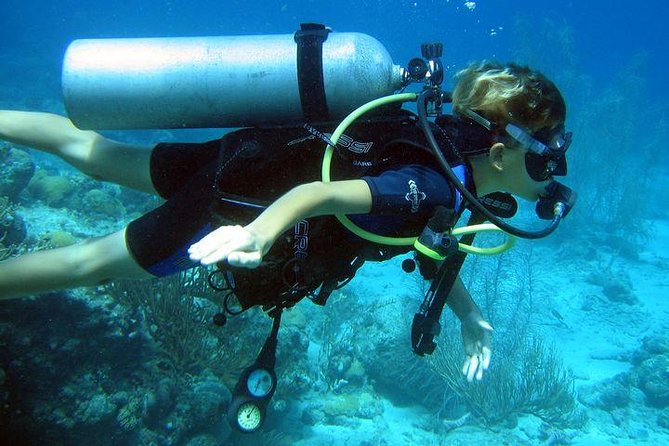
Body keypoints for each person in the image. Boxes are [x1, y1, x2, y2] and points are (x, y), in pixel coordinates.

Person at [0, 61, 572, 382]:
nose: (554, 172)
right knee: (89, 264)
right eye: (546, 157)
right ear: (500, 155)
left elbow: (432, 242)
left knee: (96, 154)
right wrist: (258, 233)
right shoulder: (432, 183)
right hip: (234, 206)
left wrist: (467, 313)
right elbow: (316, 193)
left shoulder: (444, 163)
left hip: (246, 159)